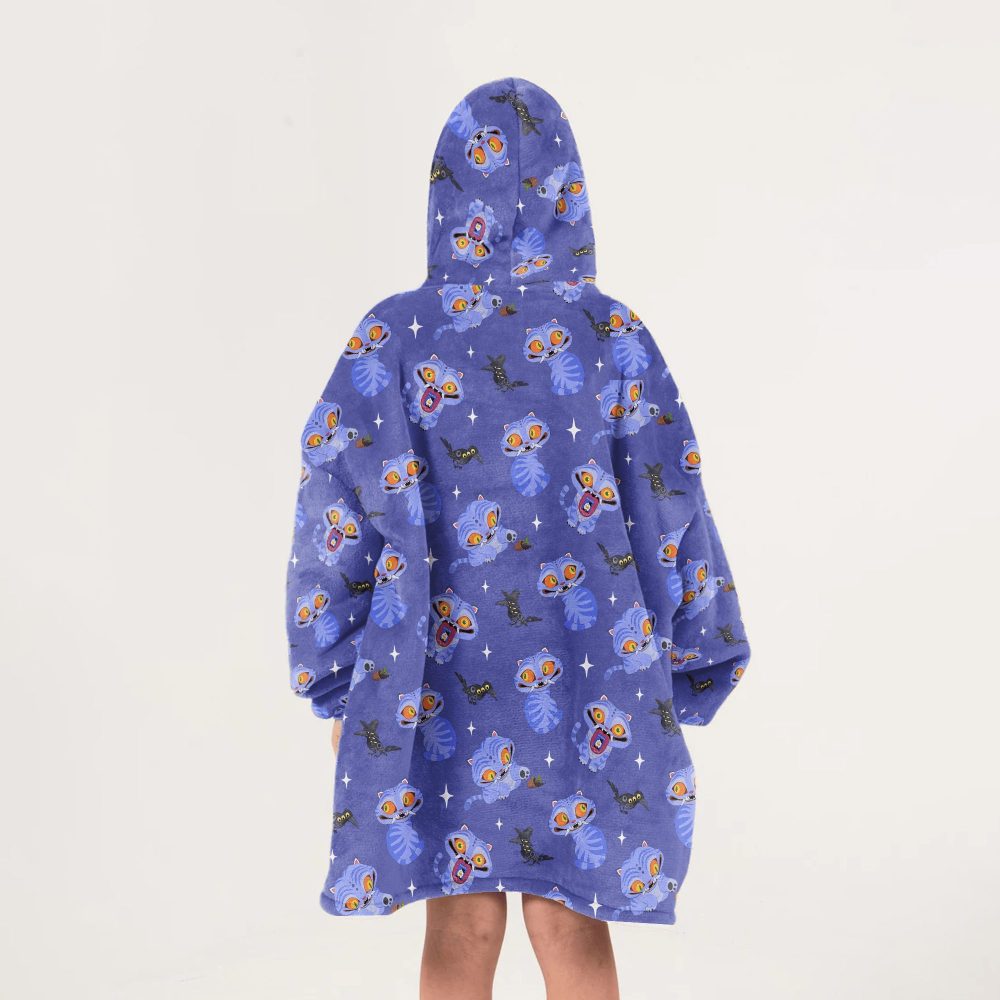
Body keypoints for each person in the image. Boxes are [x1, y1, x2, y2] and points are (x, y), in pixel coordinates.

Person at [286, 77, 751, 1000]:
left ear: (445, 191)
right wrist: (695, 653)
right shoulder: (610, 333)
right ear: (569, 193)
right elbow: (672, 499)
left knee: (459, 922)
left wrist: (338, 676)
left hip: (433, 679)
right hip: (589, 674)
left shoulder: (392, 337)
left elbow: (334, 509)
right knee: (569, 918)